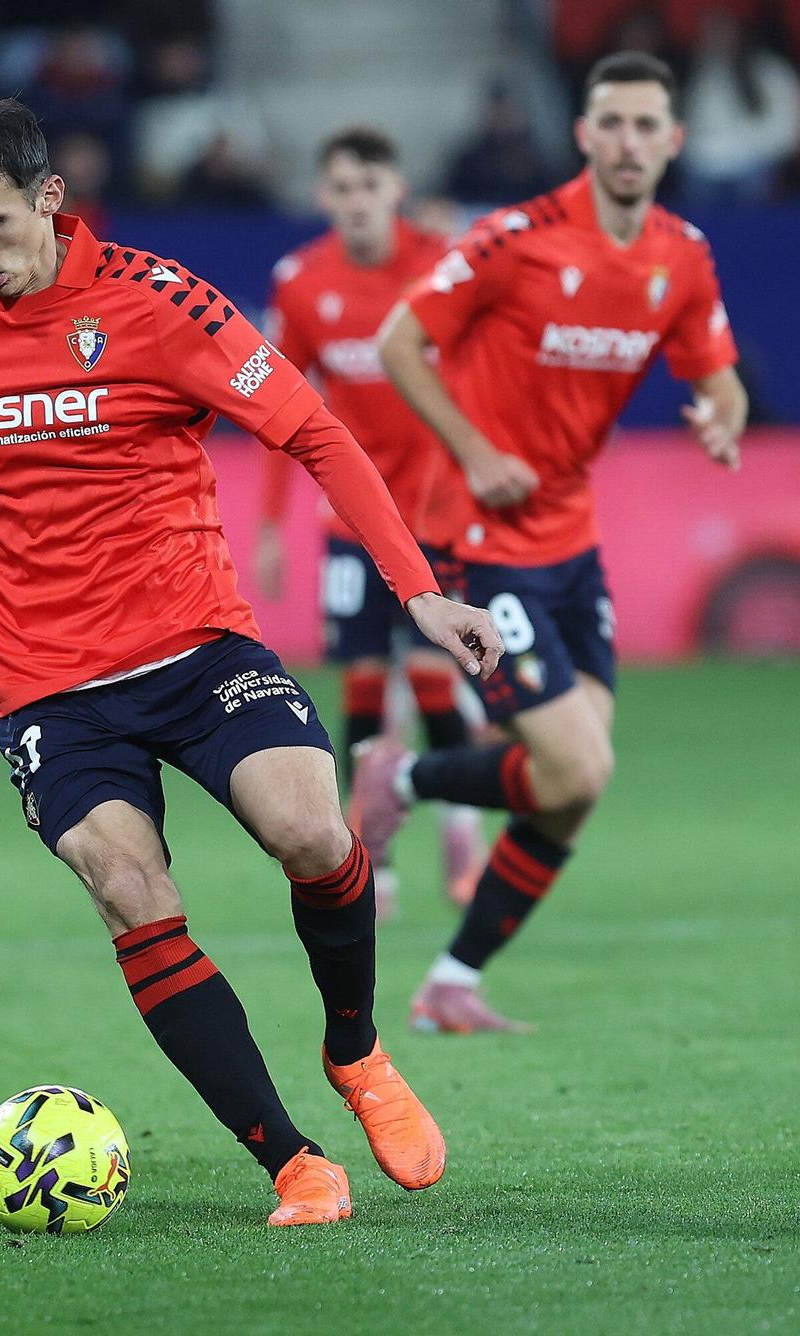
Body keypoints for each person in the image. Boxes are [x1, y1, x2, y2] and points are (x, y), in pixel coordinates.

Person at [0, 97, 503, 1227]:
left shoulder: (159, 301)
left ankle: (357, 1051)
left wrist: (416, 593)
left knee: (311, 832)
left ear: (48, 198)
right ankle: (291, 1160)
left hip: (194, 645)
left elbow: (315, 431)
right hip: (44, 687)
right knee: (132, 895)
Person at [359, 52, 746, 1033]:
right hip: (480, 536)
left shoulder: (680, 254)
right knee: (578, 770)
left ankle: (448, 974)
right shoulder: (515, 238)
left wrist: (721, 416)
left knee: (569, 789)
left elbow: (716, 369)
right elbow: (402, 338)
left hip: (570, 542)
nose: (627, 142)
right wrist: (473, 449)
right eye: (609, 123)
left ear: (672, 140)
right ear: (582, 134)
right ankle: (400, 782)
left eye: (644, 125)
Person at [258, 125, 486, 918]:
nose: (357, 203)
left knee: (432, 677)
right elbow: (276, 409)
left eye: (370, 186)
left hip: (438, 512)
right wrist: (270, 527)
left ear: (397, 189)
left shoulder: (441, 266)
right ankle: (375, 862)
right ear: (325, 197)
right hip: (351, 520)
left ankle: (461, 827)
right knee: (361, 684)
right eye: (342, 189)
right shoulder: (300, 282)